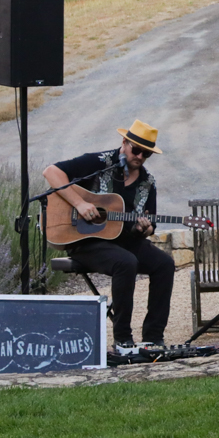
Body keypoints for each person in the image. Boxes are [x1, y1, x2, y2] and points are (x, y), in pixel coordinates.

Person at [42, 119, 175, 347]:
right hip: (86, 240)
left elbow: (151, 222)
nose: (140, 157)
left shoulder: (148, 182)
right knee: (126, 262)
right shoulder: (100, 162)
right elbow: (51, 172)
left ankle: (154, 338)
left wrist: (145, 228)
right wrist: (80, 204)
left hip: (125, 241)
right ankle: (123, 339)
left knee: (165, 264)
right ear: (124, 142)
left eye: (146, 154)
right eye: (136, 150)